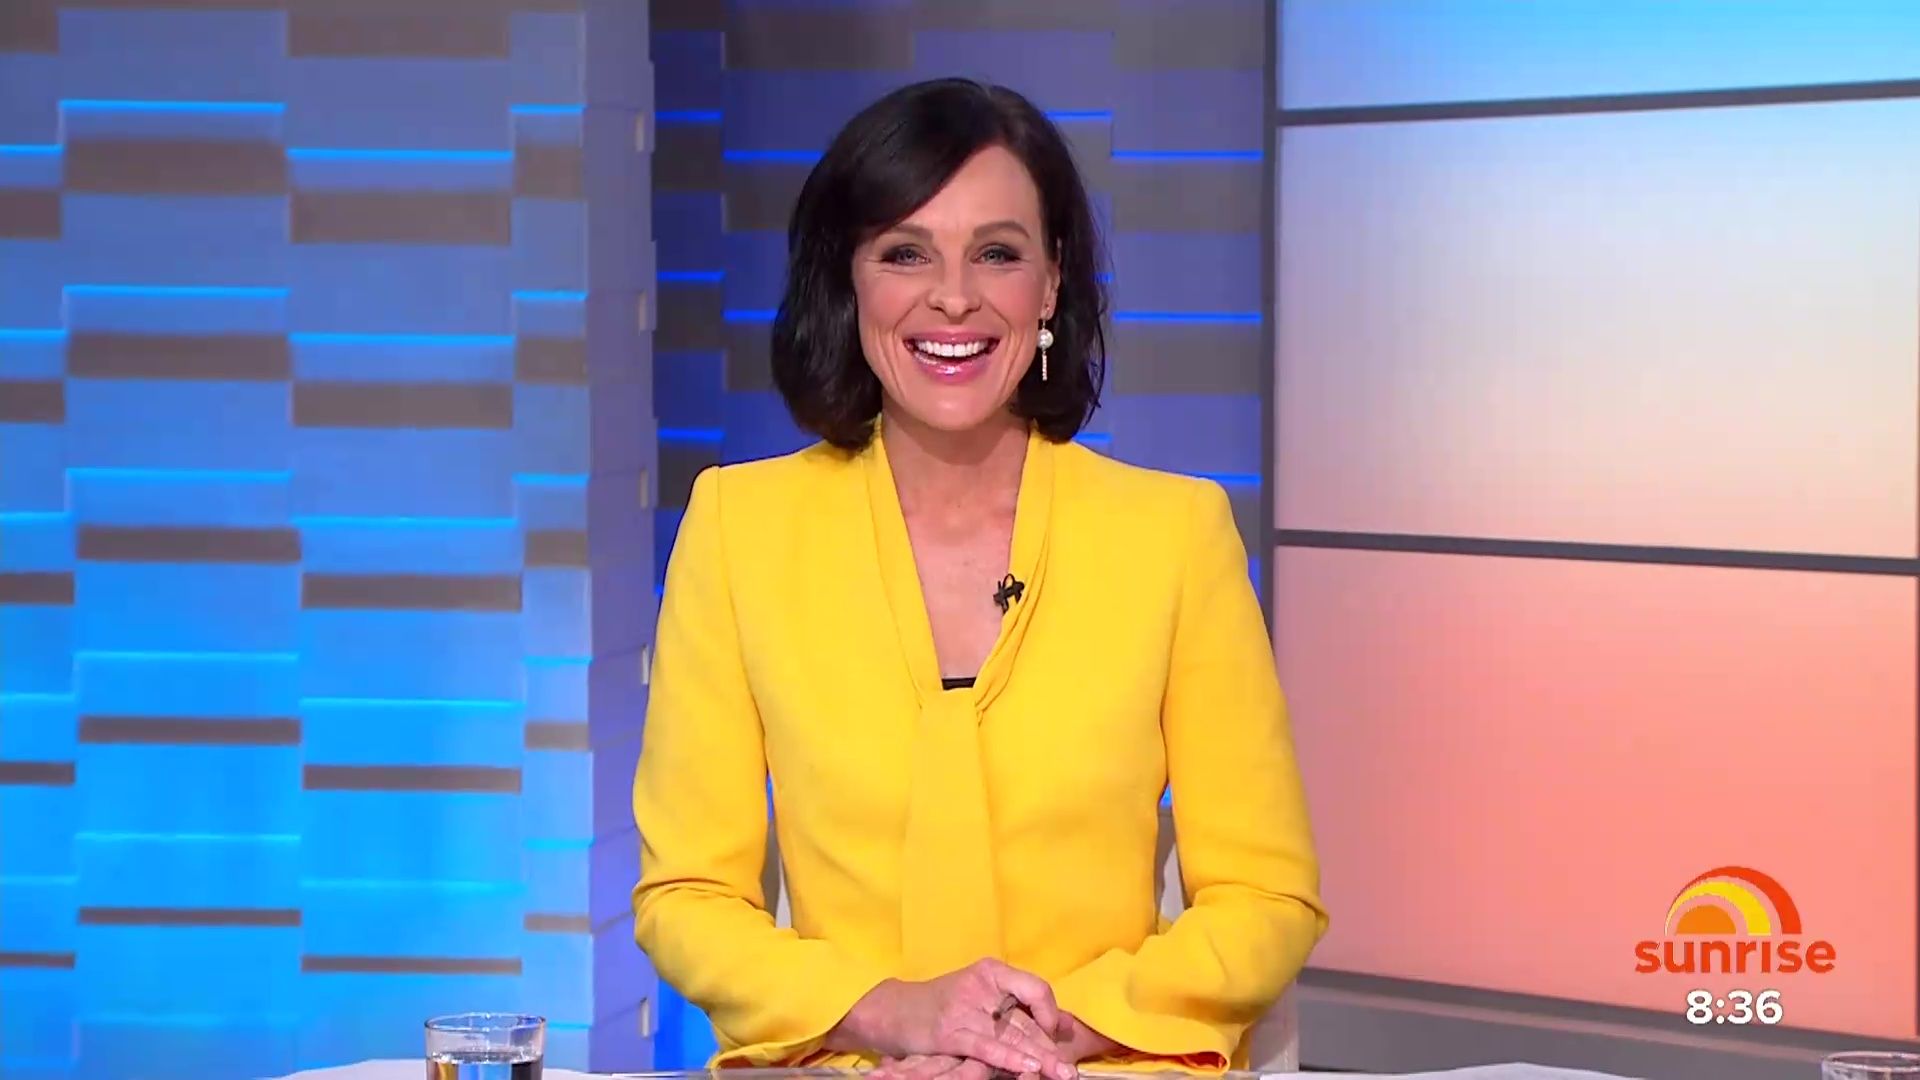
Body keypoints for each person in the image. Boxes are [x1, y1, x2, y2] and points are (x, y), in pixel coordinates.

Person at [631, 77, 1327, 1079]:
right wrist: (893, 1016)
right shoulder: (740, 528)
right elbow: (687, 897)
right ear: (850, 282)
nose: (953, 297)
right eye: (905, 252)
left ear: (1050, 285)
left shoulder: (1174, 536)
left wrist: (1046, 1035)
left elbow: (1266, 899)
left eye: (997, 253)